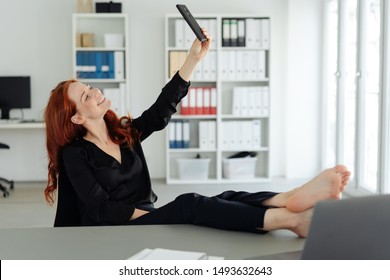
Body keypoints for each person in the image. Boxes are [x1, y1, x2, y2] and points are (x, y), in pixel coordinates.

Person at [44, 29, 350, 237]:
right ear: (78, 117)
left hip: (145, 217)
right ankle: (289, 219)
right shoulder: (76, 154)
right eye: (86, 96)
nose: (95, 91)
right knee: (189, 204)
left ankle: (289, 197)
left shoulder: (122, 133)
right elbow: (100, 208)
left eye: (89, 87)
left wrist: (193, 59)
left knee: (226, 196)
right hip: (116, 230)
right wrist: (155, 217)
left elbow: (160, 111)